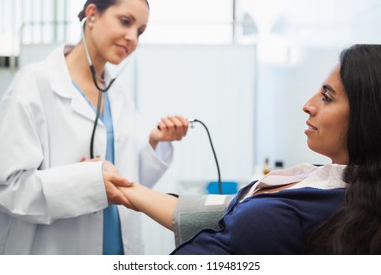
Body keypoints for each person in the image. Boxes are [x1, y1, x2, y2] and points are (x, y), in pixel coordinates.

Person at [113, 44, 381, 254]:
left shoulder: (346, 211)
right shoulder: (318, 178)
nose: (308, 105)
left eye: (326, 97)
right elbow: (209, 212)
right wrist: (124, 189)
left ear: (367, 116)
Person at [0, 0, 189, 255]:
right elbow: (5, 189)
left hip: (120, 249)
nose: (132, 38)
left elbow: (129, 179)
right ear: (92, 15)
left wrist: (154, 142)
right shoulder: (35, 84)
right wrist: (81, 181)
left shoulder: (119, 96)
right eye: (125, 21)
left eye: (140, 31)